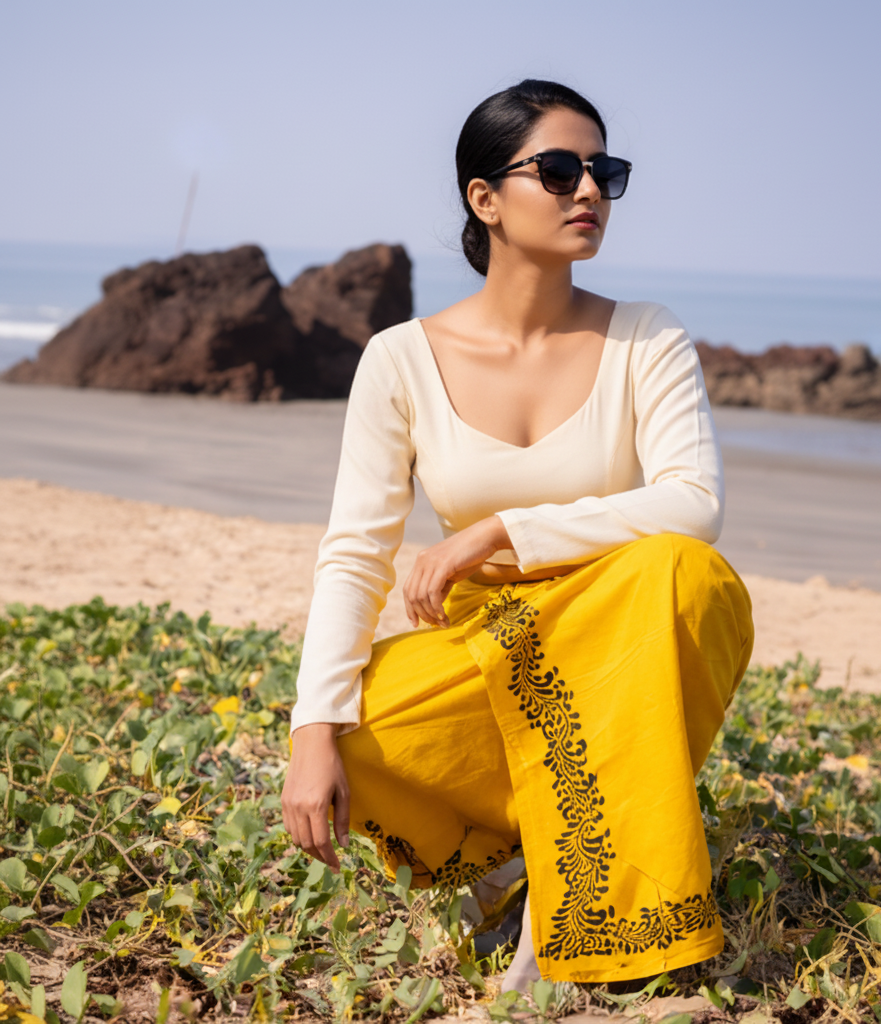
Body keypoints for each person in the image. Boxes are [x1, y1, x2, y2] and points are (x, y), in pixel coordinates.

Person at [281, 79, 753, 990]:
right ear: (484, 197)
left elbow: (693, 504)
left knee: (685, 573)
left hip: (630, 637)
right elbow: (355, 553)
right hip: (489, 647)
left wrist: (498, 529)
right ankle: (517, 860)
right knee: (362, 733)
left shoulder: (647, 339)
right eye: (562, 169)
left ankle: (572, 908)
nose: (589, 192)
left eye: (605, 172)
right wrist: (311, 730)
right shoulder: (400, 360)